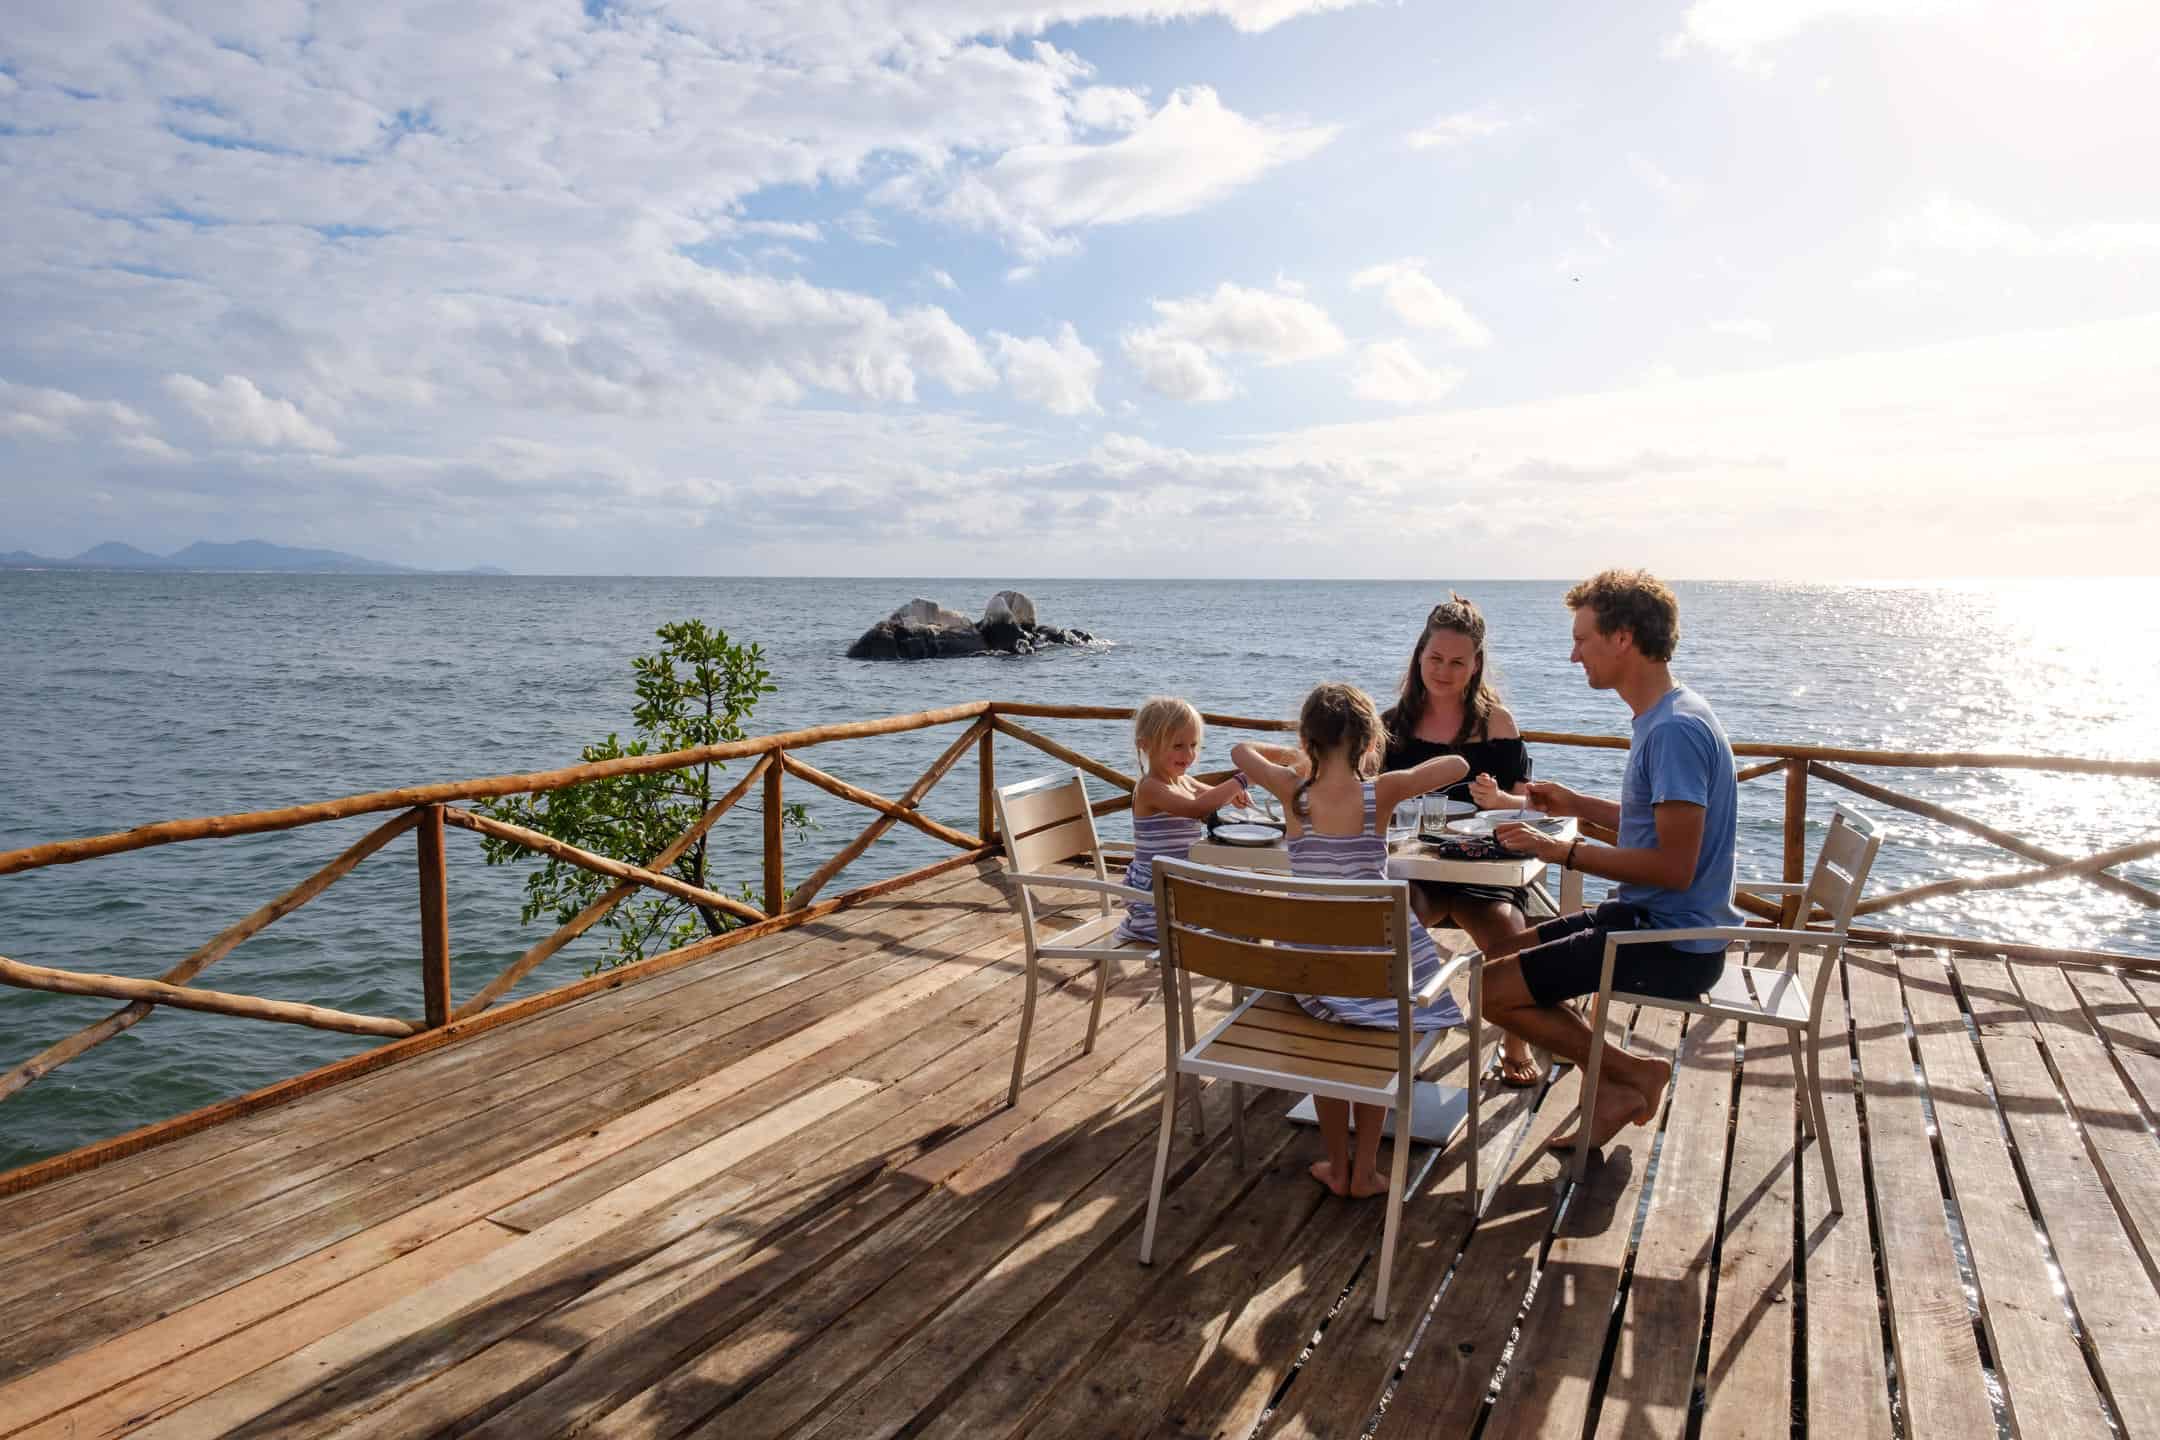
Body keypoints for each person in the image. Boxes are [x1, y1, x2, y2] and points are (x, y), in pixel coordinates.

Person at [1484, 570, 1740, 1154]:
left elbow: (1675, 866)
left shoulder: (1673, 731)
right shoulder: (1670, 713)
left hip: (1673, 945)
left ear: (1622, 638)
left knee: (1490, 992)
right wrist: (1577, 805)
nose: (1574, 655)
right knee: (1505, 955)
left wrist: (1567, 851)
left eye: (1583, 639)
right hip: (1650, 923)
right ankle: (1614, 1082)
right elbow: (1660, 829)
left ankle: (1627, 1074)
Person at [1233, 683, 1468, 1198]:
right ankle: (1365, 1172)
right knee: (1381, 1029)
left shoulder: (1292, 791)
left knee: (1330, 1056)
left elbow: (1238, 752)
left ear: (1308, 740)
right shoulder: (1379, 792)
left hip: (1311, 972)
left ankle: (1336, 1166)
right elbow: (1457, 768)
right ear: (1367, 740)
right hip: (1375, 973)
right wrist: (1389, 771)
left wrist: (1293, 758)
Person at [1381, 594, 1542, 1088]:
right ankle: (1385, 1030)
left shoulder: (1497, 724)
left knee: (1507, 935)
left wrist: (1500, 803)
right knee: (1380, 922)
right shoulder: (1390, 726)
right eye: (1435, 659)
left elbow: (1528, 806)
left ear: (1475, 666)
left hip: (1481, 872)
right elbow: (1370, 801)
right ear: (1419, 657)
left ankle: (1516, 1040)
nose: (1444, 671)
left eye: (1457, 662)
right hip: (1414, 869)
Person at [1115, 696, 1250, 944]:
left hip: (1183, 883)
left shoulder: (1183, 780)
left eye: (1193, 745)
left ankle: (1243, 972)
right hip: (1159, 898)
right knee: (1246, 913)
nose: (1188, 755)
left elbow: (1210, 795)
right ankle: (1240, 972)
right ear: (1145, 745)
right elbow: (1197, 808)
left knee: (1253, 901)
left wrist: (1233, 795)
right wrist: (1245, 777)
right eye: (1178, 746)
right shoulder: (1150, 788)